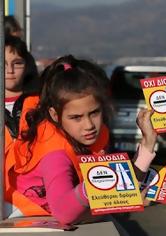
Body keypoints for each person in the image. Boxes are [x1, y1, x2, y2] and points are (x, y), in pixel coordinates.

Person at [5, 55, 157, 225]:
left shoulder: (92, 135)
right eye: (76, 117)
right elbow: (65, 214)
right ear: (55, 115)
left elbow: (123, 186)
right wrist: (108, 194)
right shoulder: (54, 153)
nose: (89, 125)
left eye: (94, 113)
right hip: (24, 217)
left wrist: (147, 143)